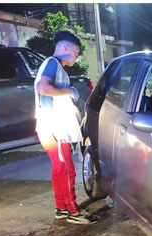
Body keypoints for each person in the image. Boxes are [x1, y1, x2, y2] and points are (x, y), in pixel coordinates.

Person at [35, 30, 97, 225]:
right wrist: (69, 91)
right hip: (53, 128)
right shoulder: (53, 63)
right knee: (68, 169)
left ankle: (61, 208)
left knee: (59, 169)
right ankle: (73, 212)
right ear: (65, 47)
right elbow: (43, 88)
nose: (77, 56)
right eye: (76, 51)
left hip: (48, 127)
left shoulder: (53, 66)